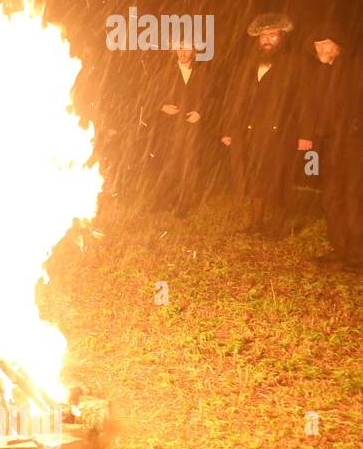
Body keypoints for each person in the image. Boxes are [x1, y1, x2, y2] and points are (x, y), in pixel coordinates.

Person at [221, 13, 303, 239]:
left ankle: (278, 226)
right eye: (263, 36)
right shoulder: (248, 63)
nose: (267, 40)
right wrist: (229, 129)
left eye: (272, 35)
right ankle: (256, 223)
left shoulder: (293, 62)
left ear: (282, 37)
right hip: (252, 132)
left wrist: (304, 134)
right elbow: (235, 98)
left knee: (279, 179)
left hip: (282, 132)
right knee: (256, 178)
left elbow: (303, 99)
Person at [297, 24, 362, 270]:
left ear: (337, 46)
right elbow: (311, 106)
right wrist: (308, 135)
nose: (318, 49)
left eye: (323, 44)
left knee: (353, 197)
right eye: (316, 45)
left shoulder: (355, 68)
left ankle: (357, 254)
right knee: (332, 196)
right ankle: (340, 248)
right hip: (329, 145)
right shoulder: (321, 72)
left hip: (355, 145)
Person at [144, 41, 213, 215]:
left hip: (192, 127)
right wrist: (161, 107)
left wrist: (200, 112)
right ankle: (161, 201)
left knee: (188, 166)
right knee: (168, 164)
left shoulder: (203, 72)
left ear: (194, 50)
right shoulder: (164, 73)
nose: (183, 52)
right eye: (179, 48)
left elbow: (212, 98)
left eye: (187, 48)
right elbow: (150, 96)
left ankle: (184, 204)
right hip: (169, 127)